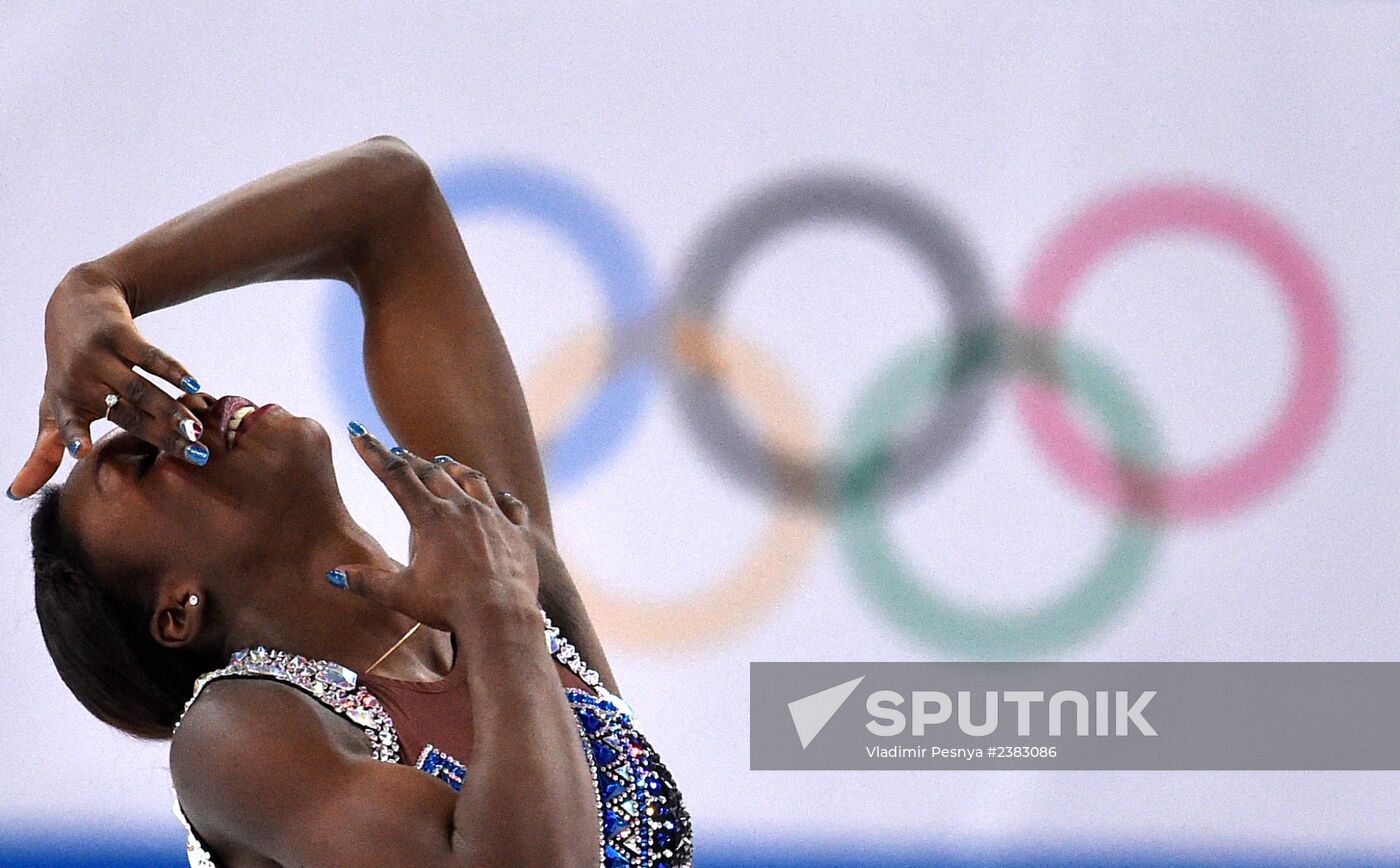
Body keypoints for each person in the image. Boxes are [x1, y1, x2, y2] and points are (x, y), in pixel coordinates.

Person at [12, 136, 692, 867]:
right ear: (178, 609)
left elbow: (389, 202)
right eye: (145, 463)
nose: (187, 414)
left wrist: (102, 285)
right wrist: (498, 617)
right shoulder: (236, 736)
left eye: (162, 411)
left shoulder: (500, 567)